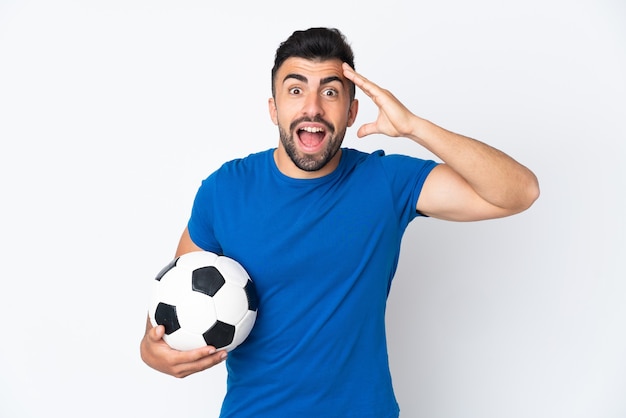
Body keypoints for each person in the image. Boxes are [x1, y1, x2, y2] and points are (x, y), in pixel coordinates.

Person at [140, 27, 539, 417]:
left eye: (330, 92)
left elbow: (519, 192)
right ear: (273, 108)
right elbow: (174, 298)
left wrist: (414, 127)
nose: (312, 107)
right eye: (295, 90)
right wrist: (150, 349)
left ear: (351, 112)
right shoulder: (224, 190)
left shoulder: (385, 183)